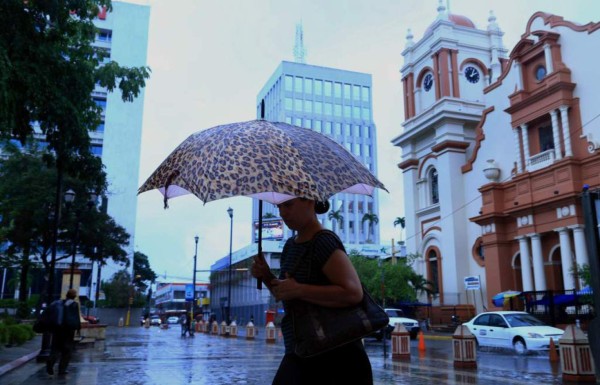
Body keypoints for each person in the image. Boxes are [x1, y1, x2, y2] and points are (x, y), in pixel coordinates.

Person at [251, 198, 373, 385]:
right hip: (300, 349)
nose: (283, 213)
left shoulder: (324, 242)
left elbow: (353, 292)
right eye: (279, 206)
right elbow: (285, 294)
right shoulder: (290, 246)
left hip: (336, 357)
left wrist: (300, 289)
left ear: (310, 201)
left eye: (289, 205)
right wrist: (266, 275)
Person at [46, 288, 81, 376]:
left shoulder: (59, 303)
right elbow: (76, 317)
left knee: (55, 348)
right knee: (67, 350)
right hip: (68, 331)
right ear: (74, 296)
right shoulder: (74, 305)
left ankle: (51, 361)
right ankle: (62, 369)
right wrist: (78, 328)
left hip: (57, 329)